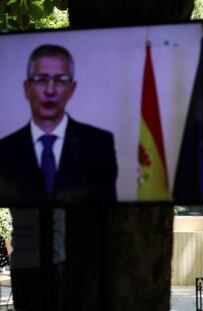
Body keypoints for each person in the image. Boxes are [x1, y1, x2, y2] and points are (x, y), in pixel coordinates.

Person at [0, 44, 118, 310]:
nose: (50, 89)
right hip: (27, 267)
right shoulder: (6, 150)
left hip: (70, 267)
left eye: (60, 80)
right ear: (27, 88)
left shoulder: (97, 144)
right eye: (41, 79)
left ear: (72, 89)